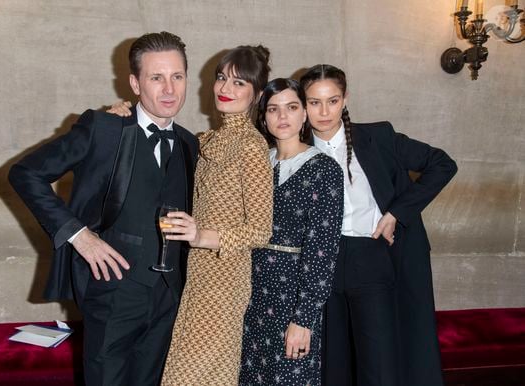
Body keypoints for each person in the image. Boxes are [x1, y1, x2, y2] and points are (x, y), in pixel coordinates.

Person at [8, 32, 199, 386]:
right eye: (156, 77)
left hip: (168, 300)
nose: (169, 89)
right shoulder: (105, 128)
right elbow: (25, 173)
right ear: (135, 83)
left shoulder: (190, 144)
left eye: (177, 76)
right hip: (111, 293)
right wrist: (79, 236)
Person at [299, 64, 457, 386]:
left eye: (332, 100)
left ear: (345, 99)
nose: (324, 111)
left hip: (372, 255)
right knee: (333, 364)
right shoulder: (294, 149)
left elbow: (442, 164)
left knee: (380, 364)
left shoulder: (377, 137)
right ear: (303, 105)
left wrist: (397, 212)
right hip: (321, 262)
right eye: (314, 102)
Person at [158, 45, 273, 386]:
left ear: (257, 94)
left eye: (239, 83)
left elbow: (260, 230)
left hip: (225, 279)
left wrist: (201, 237)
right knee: (211, 376)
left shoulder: (251, 146)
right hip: (199, 272)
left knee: (186, 376)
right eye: (222, 78)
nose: (225, 89)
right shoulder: (209, 139)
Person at [238, 78, 344, 386]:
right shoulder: (256, 162)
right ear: (264, 116)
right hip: (249, 292)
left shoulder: (324, 169)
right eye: (273, 109)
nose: (282, 117)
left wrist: (304, 318)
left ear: (303, 115)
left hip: (293, 294)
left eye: (292, 107)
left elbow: (323, 249)